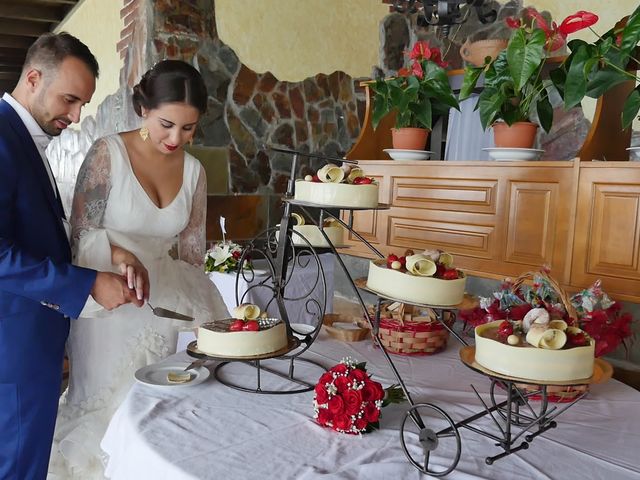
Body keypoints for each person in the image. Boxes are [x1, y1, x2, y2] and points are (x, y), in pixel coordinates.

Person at [48, 60, 229, 479]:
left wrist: (208, 317)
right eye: (167, 124)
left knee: (163, 414)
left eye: (188, 128)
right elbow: (80, 233)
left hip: (167, 304)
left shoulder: (195, 172)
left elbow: (191, 255)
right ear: (143, 109)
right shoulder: (106, 154)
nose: (175, 138)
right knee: (107, 411)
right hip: (108, 302)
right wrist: (121, 257)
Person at [0, 33, 148, 480]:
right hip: (13, 347)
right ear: (32, 78)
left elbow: (36, 233)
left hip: (30, 341)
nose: (77, 115)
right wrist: (84, 285)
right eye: (69, 99)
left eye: (83, 103)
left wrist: (109, 255)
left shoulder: (23, 135)